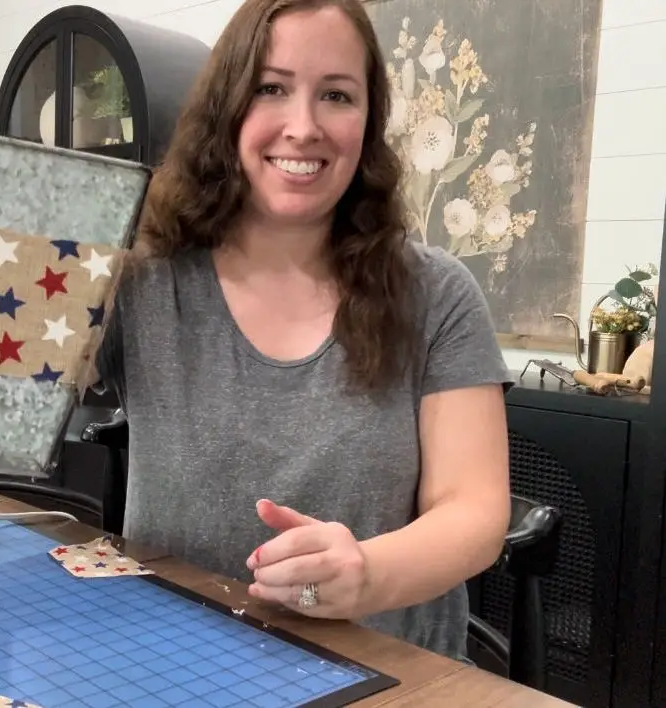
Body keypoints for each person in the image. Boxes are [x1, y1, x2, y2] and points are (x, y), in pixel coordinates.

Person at [91, 0, 513, 662]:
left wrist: (366, 573)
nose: (303, 126)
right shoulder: (138, 281)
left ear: (368, 122)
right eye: (271, 88)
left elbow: (475, 511)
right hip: (170, 666)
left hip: (388, 678)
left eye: (337, 95)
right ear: (227, 108)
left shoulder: (438, 294)